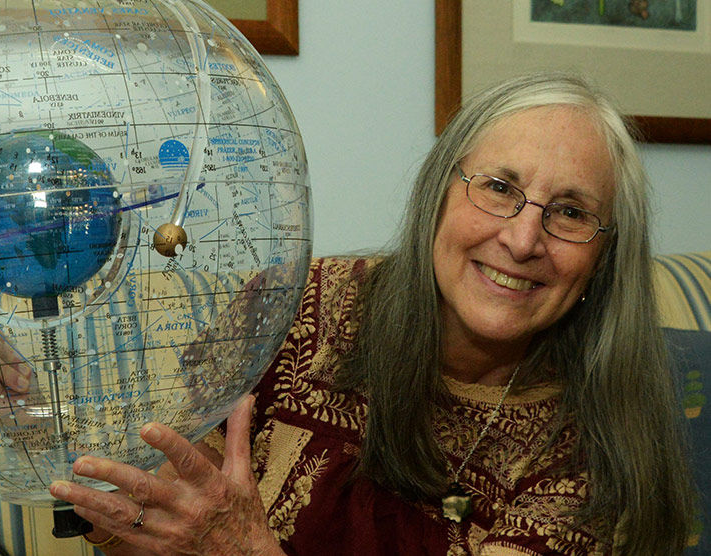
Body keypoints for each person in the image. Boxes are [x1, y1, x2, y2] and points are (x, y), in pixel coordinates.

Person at [40, 72, 695, 555]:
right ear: (439, 192)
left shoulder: (591, 453)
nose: (523, 240)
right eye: (500, 187)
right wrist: (33, 420)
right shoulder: (293, 305)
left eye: (572, 212)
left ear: (603, 258)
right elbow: (159, 525)